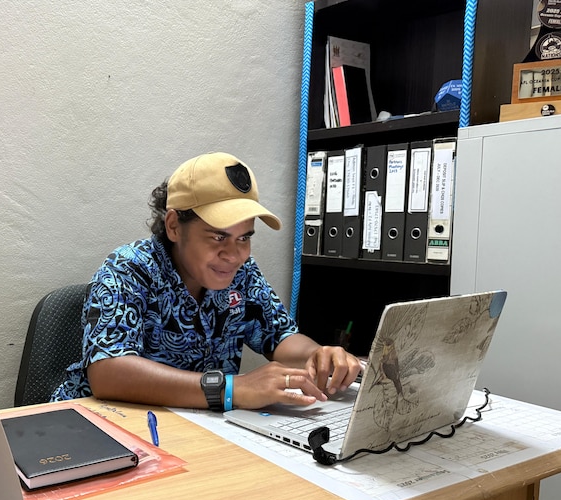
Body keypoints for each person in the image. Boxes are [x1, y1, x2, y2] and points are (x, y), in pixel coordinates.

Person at [51, 152, 361, 411]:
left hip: (197, 428)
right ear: (174, 226)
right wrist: (230, 389)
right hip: (104, 428)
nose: (233, 255)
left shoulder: (243, 272)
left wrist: (318, 356)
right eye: (218, 236)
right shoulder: (130, 268)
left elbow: (279, 337)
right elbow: (108, 373)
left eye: (244, 238)